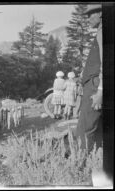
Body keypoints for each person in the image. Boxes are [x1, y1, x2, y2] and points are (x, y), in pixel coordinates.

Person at [75, 4, 103, 153]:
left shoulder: (103, 32)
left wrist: (100, 91)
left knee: (85, 128)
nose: (88, 19)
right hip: (94, 84)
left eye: (91, 14)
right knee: (96, 127)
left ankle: (79, 164)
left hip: (95, 85)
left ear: (101, 14)